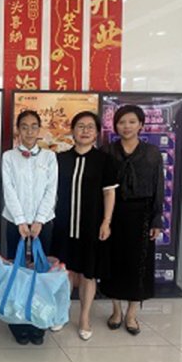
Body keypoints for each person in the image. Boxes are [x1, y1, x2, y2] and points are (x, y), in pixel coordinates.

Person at [51, 111, 117, 341]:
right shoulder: (60, 159)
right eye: (80, 126)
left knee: (89, 274)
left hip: (91, 226)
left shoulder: (104, 161)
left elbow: (109, 193)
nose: (85, 131)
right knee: (65, 272)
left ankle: (85, 317)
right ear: (72, 131)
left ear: (97, 132)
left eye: (90, 127)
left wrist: (106, 222)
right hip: (63, 225)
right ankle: (62, 314)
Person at [100, 105, 164, 335]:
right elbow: (102, 188)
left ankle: (132, 314)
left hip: (143, 216)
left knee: (139, 266)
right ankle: (116, 310)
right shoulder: (107, 151)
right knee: (114, 263)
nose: (126, 126)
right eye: (121, 122)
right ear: (115, 126)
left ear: (141, 125)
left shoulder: (152, 153)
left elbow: (158, 186)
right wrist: (103, 220)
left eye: (131, 122)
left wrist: (156, 219)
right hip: (114, 214)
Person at [1, 110, 58, 345]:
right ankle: (18, 320)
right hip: (15, 223)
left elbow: (51, 190)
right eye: (24, 126)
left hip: (43, 224)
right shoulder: (8, 157)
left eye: (34, 126)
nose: (29, 131)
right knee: (18, 271)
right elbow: (9, 190)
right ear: (18, 130)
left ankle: (37, 320)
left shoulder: (49, 158)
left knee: (40, 272)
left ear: (39, 130)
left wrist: (39, 220)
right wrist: (21, 220)